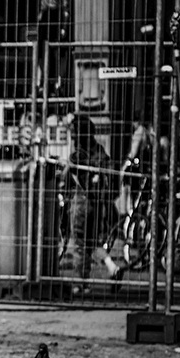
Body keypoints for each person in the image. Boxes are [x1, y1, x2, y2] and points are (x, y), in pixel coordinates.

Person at [62, 115, 125, 293]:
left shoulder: (77, 155)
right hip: (97, 204)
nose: (72, 137)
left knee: (80, 244)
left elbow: (65, 177)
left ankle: (82, 283)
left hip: (81, 202)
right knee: (92, 243)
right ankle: (112, 267)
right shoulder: (99, 150)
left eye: (74, 133)